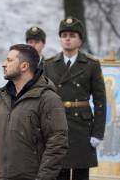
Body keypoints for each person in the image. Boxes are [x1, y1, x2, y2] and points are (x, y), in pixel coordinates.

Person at [0, 44, 68, 180]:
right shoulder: (1, 101)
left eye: (9, 60)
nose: (3, 64)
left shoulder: (48, 99)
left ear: (24, 66)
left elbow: (57, 144)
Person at [43, 17, 106, 180]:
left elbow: (100, 101)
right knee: (59, 172)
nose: (67, 39)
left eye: (72, 35)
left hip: (82, 128)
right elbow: (42, 99)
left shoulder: (91, 64)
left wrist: (98, 133)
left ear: (80, 40)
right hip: (57, 125)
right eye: (64, 35)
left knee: (80, 174)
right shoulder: (49, 64)